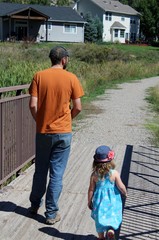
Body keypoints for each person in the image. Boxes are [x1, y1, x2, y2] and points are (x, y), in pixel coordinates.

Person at [28, 45, 84, 225]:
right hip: (63, 133)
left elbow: (32, 105)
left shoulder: (39, 76)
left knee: (40, 171)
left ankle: (34, 205)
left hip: (43, 131)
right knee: (57, 174)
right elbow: (78, 107)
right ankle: (51, 213)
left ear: (51, 59)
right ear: (64, 59)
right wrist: (68, 119)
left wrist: (40, 120)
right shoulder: (71, 78)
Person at [88, 145, 127, 240]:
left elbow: (91, 189)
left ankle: (101, 237)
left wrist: (89, 201)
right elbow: (121, 186)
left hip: (99, 202)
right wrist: (124, 193)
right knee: (112, 217)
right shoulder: (114, 173)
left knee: (99, 220)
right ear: (110, 161)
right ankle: (111, 230)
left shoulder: (94, 175)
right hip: (113, 202)